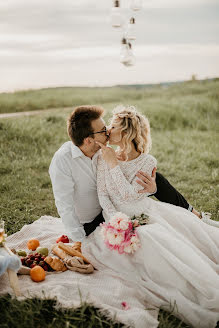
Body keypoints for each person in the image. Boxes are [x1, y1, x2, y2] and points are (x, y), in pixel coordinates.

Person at [81, 105, 219, 328]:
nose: (107, 129)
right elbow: (103, 194)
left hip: (145, 213)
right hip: (116, 219)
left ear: (125, 133)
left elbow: (128, 195)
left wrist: (114, 165)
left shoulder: (147, 162)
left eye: (113, 126)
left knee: (160, 241)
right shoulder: (103, 156)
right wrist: (116, 221)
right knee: (139, 246)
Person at [49, 105, 218, 243]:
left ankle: (195, 215)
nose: (107, 130)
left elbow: (127, 178)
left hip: (119, 201)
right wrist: (79, 240)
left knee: (156, 179)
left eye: (109, 127)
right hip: (97, 217)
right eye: (103, 130)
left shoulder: (104, 151)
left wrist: (152, 189)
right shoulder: (64, 160)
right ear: (88, 140)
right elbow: (64, 205)